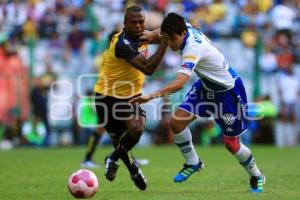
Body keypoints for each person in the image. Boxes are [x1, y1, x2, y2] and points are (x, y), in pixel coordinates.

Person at [130, 13, 265, 193]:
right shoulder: (182, 26)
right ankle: (193, 162)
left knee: (231, 144)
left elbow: (179, 83)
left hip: (227, 91)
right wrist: (151, 34)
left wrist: (150, 96)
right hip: (206, 86)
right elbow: (162, 32)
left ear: (182, 33)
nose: (169, 44)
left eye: (172, 39)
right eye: (166, 38)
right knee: (176, 122)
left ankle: (256, 176)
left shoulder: (192, 49)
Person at [93, 6, 167, 191]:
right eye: (133, 22)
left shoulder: (143, 35)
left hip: (130, 97)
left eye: (141, 22)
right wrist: (164, 43)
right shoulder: (122, 44)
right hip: (107, 97)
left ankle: (113, 158)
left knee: (136, 128)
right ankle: (133, 169)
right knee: (120, 142)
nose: (138, 25)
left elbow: (167, 33)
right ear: (124, 24)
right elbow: (148, 68)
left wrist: (179, 31)